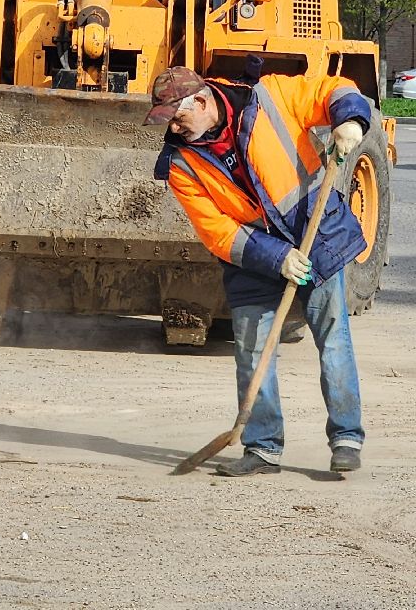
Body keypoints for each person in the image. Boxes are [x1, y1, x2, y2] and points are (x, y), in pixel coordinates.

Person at [147, 65, 372, 477]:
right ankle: (263, 447)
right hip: (251, 260)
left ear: (200, 101)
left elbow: (332, 89)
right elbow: (219, 233)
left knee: (333, 339)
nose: (175, 128)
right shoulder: (180, 164)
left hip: (314, 236)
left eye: (177, 117)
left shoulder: (267, 97)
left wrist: (351, 121)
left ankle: (346, 437)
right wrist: (277, 258)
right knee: (251, 352)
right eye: (168, 122)